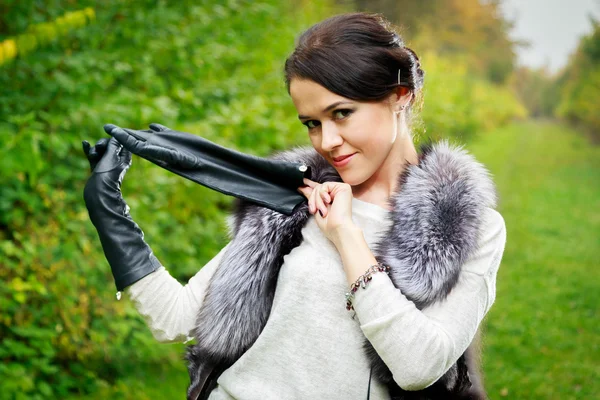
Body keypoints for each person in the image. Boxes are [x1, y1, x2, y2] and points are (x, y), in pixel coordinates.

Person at [83, 12, 506, 400]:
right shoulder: (294, 200)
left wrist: (345, 236)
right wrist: (108, 210)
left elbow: (418, 366)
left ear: (400, 96)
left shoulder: (466, 227)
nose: (327, 141)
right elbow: (175, 318)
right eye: (312, 123)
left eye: (342, 113)